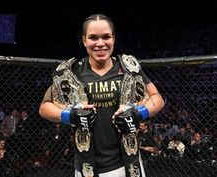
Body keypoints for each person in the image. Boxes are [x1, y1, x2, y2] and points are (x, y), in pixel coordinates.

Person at [39, 13, 164, 177]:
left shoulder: (128, 67)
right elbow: (44, 107)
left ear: (113, 38)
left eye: (106, 37)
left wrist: (138, 113)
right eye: (93, 37)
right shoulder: (71, 72)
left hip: (127, 163)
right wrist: (69, 116)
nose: (100, 43)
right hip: (86, 165)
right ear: (84, 40)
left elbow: (158, 99)